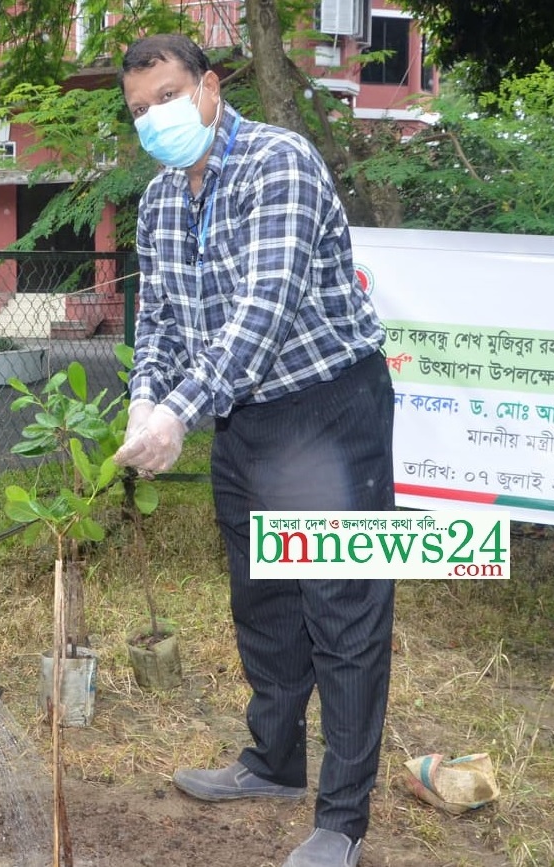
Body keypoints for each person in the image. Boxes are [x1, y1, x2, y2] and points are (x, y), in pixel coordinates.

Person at [114, 35, 396, 867]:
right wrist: (144, 395)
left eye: (167, 96)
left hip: (328, 408)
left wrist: (180, 412)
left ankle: (341, 819)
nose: (154, 118)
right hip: (244, 419)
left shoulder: (280, 161)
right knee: (263, 597)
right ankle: (273, 761)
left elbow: (262, 308)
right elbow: (159, 318)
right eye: (138, 110)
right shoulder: (160, 200)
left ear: (208, 87)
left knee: (342, 607)